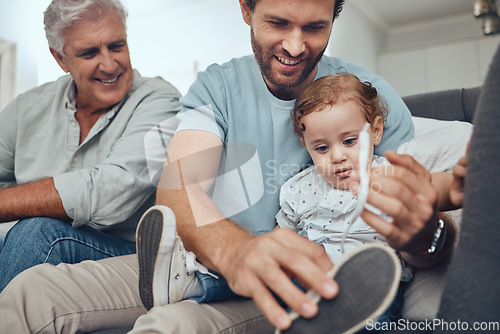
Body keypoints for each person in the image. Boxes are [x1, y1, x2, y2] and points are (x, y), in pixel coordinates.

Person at [0, 0, 456, 333]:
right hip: (212, 260)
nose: (295, 46)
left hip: (321, 278)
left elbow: (427, 224)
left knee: (171, 326)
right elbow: (180, 188)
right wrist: (237, 251)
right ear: (245, 9)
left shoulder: (370, 94)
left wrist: (426, 235)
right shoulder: (219, 86)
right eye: (277, 22)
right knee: (31, 294)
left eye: (315, 27)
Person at [0, 0, 181, 292]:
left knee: (40, 232)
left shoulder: (161, 100)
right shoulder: (26, 108)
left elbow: (111, 192)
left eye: (116, 46)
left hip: (128, 254)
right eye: (89, 53)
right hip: (35, 243)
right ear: (60, 59)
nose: (109, 65)